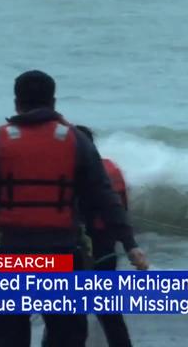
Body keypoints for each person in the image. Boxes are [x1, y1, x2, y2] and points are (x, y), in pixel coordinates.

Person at [0, 70, 148, 347]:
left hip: (12, 257)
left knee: (8, 338)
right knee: (67, 338)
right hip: (63, 258)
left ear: (17, 103)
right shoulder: (76, 141)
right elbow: (105, 198)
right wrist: (130, 244)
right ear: (53, 102)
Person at [73, 125, 133, 347]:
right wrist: (129, 244)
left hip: (86, 247)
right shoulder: (110, 169)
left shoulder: (81, 173)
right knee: (108, 311)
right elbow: (121, 211)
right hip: (108, 246)